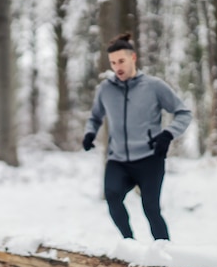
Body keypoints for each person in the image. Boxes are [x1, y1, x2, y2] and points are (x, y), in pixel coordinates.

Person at [82, 33, 192, 241]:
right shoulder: (105, 89)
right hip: (118, 159)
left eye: (121, 61)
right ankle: (129, 243)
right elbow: (95, 117)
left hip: (150, 159)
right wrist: (89, 133)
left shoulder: (154, 86)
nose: (117, 67)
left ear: (133, 58)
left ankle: (165, 255)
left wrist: (168, 135)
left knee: (151, 209)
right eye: (113, 63)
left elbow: (183, 113)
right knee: (112, 196)